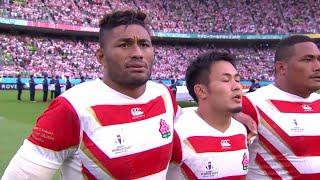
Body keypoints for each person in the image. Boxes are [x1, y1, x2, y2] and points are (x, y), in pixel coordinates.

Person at [2, 10, 179, 180]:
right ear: (101, 56)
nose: (138, 54)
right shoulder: (70, 108)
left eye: (144, 44)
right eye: (124, 45)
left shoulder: (164, 95)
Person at [242, 35, 320, 179]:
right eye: (308, 60)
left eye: (319, 59)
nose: (317, 67)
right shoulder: (252, 104)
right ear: (281, 67)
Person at [167, 51, 248, 179]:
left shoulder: (241, 130)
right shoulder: (176, 133)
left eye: (237, 80)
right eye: (226, 80)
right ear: (201, 91)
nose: (237, 86)